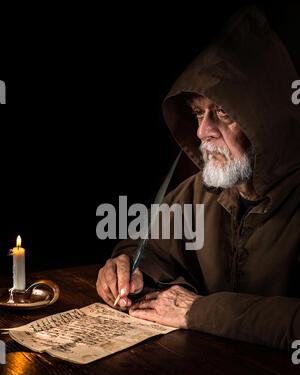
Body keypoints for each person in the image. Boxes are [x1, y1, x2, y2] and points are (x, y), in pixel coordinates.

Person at [96, 6, 300, 351]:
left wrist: (200, 312)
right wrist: (126, 267)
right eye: (197, 113)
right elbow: (146, 247)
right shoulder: (201, 191)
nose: (204, 131)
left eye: (223, 112)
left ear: (266, 121)